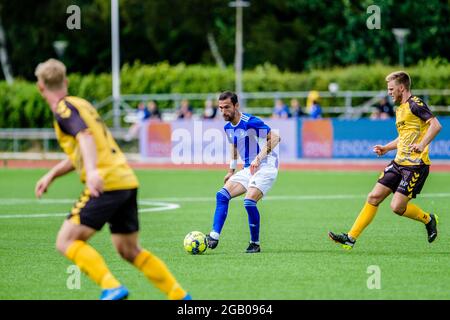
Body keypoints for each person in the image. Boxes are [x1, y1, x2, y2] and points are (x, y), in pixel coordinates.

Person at [34, 58, 191, 300]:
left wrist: (94, 172)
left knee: (65, 241)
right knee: (128, 249)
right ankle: (179, 296)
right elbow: (83, 148)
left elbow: (85, 137)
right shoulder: (81, 104)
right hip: (125, 180)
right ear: (65, 81)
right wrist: (52, 174)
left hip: (106, 182)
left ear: (41, 87)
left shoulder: (63, 109)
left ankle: (111, 286)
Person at [328, 71, 442, 250]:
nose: (389, 92)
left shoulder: (416, 104)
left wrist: (422, 144)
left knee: (397, 207)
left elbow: (436, 125)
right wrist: (386, 148)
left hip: (415, 166)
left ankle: (429, 219)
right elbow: (403, 138)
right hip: (398, 163)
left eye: (391, 89)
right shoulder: (400, 109)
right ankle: (351, 238)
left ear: (402, 87)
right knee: (373, 197)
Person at [206, 91, 281, 253]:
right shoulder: (228, 127)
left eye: (226, 107)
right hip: (249, 168)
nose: (223, 111)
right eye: (220, 108)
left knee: (248, 202)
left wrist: (258, 158)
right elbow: (234, 145)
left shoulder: (250, 122)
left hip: (266, 166)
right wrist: (231, 170)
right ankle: (213, 236)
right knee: (221, 195)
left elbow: (275, 138)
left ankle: (255, 243)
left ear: (236, 106)